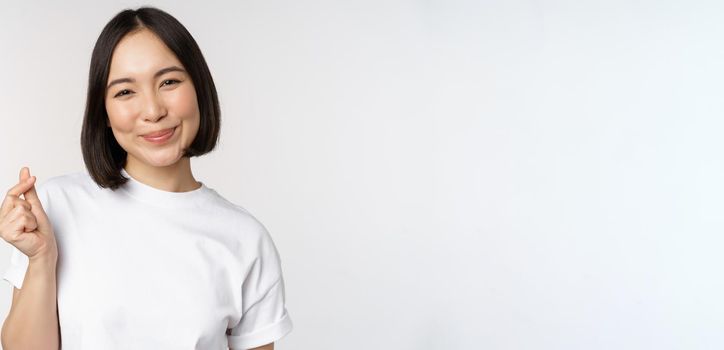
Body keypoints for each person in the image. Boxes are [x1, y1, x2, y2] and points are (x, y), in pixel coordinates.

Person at [0, 6, 293, 350]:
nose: (153, 111)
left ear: (199, 88)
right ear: (104, 113)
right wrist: (41, 258)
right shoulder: (57, 207)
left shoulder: (246, 239)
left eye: (169, 82)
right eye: (125, 92)